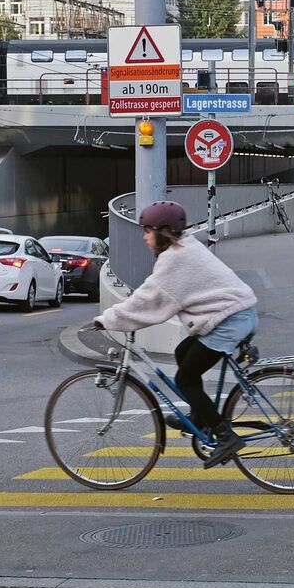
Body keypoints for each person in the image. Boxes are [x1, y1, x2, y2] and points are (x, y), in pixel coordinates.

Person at [94, 201, 256, 468]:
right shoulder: (187, 246)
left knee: (185, 378)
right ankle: (200, 417)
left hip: (229, 321)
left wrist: (107, 319)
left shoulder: (174, 259)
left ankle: (226, 437)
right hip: (236, 314)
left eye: (148, 231)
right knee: (183, 352)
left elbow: (147, 300)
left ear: (164, 231)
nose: (145, 237)